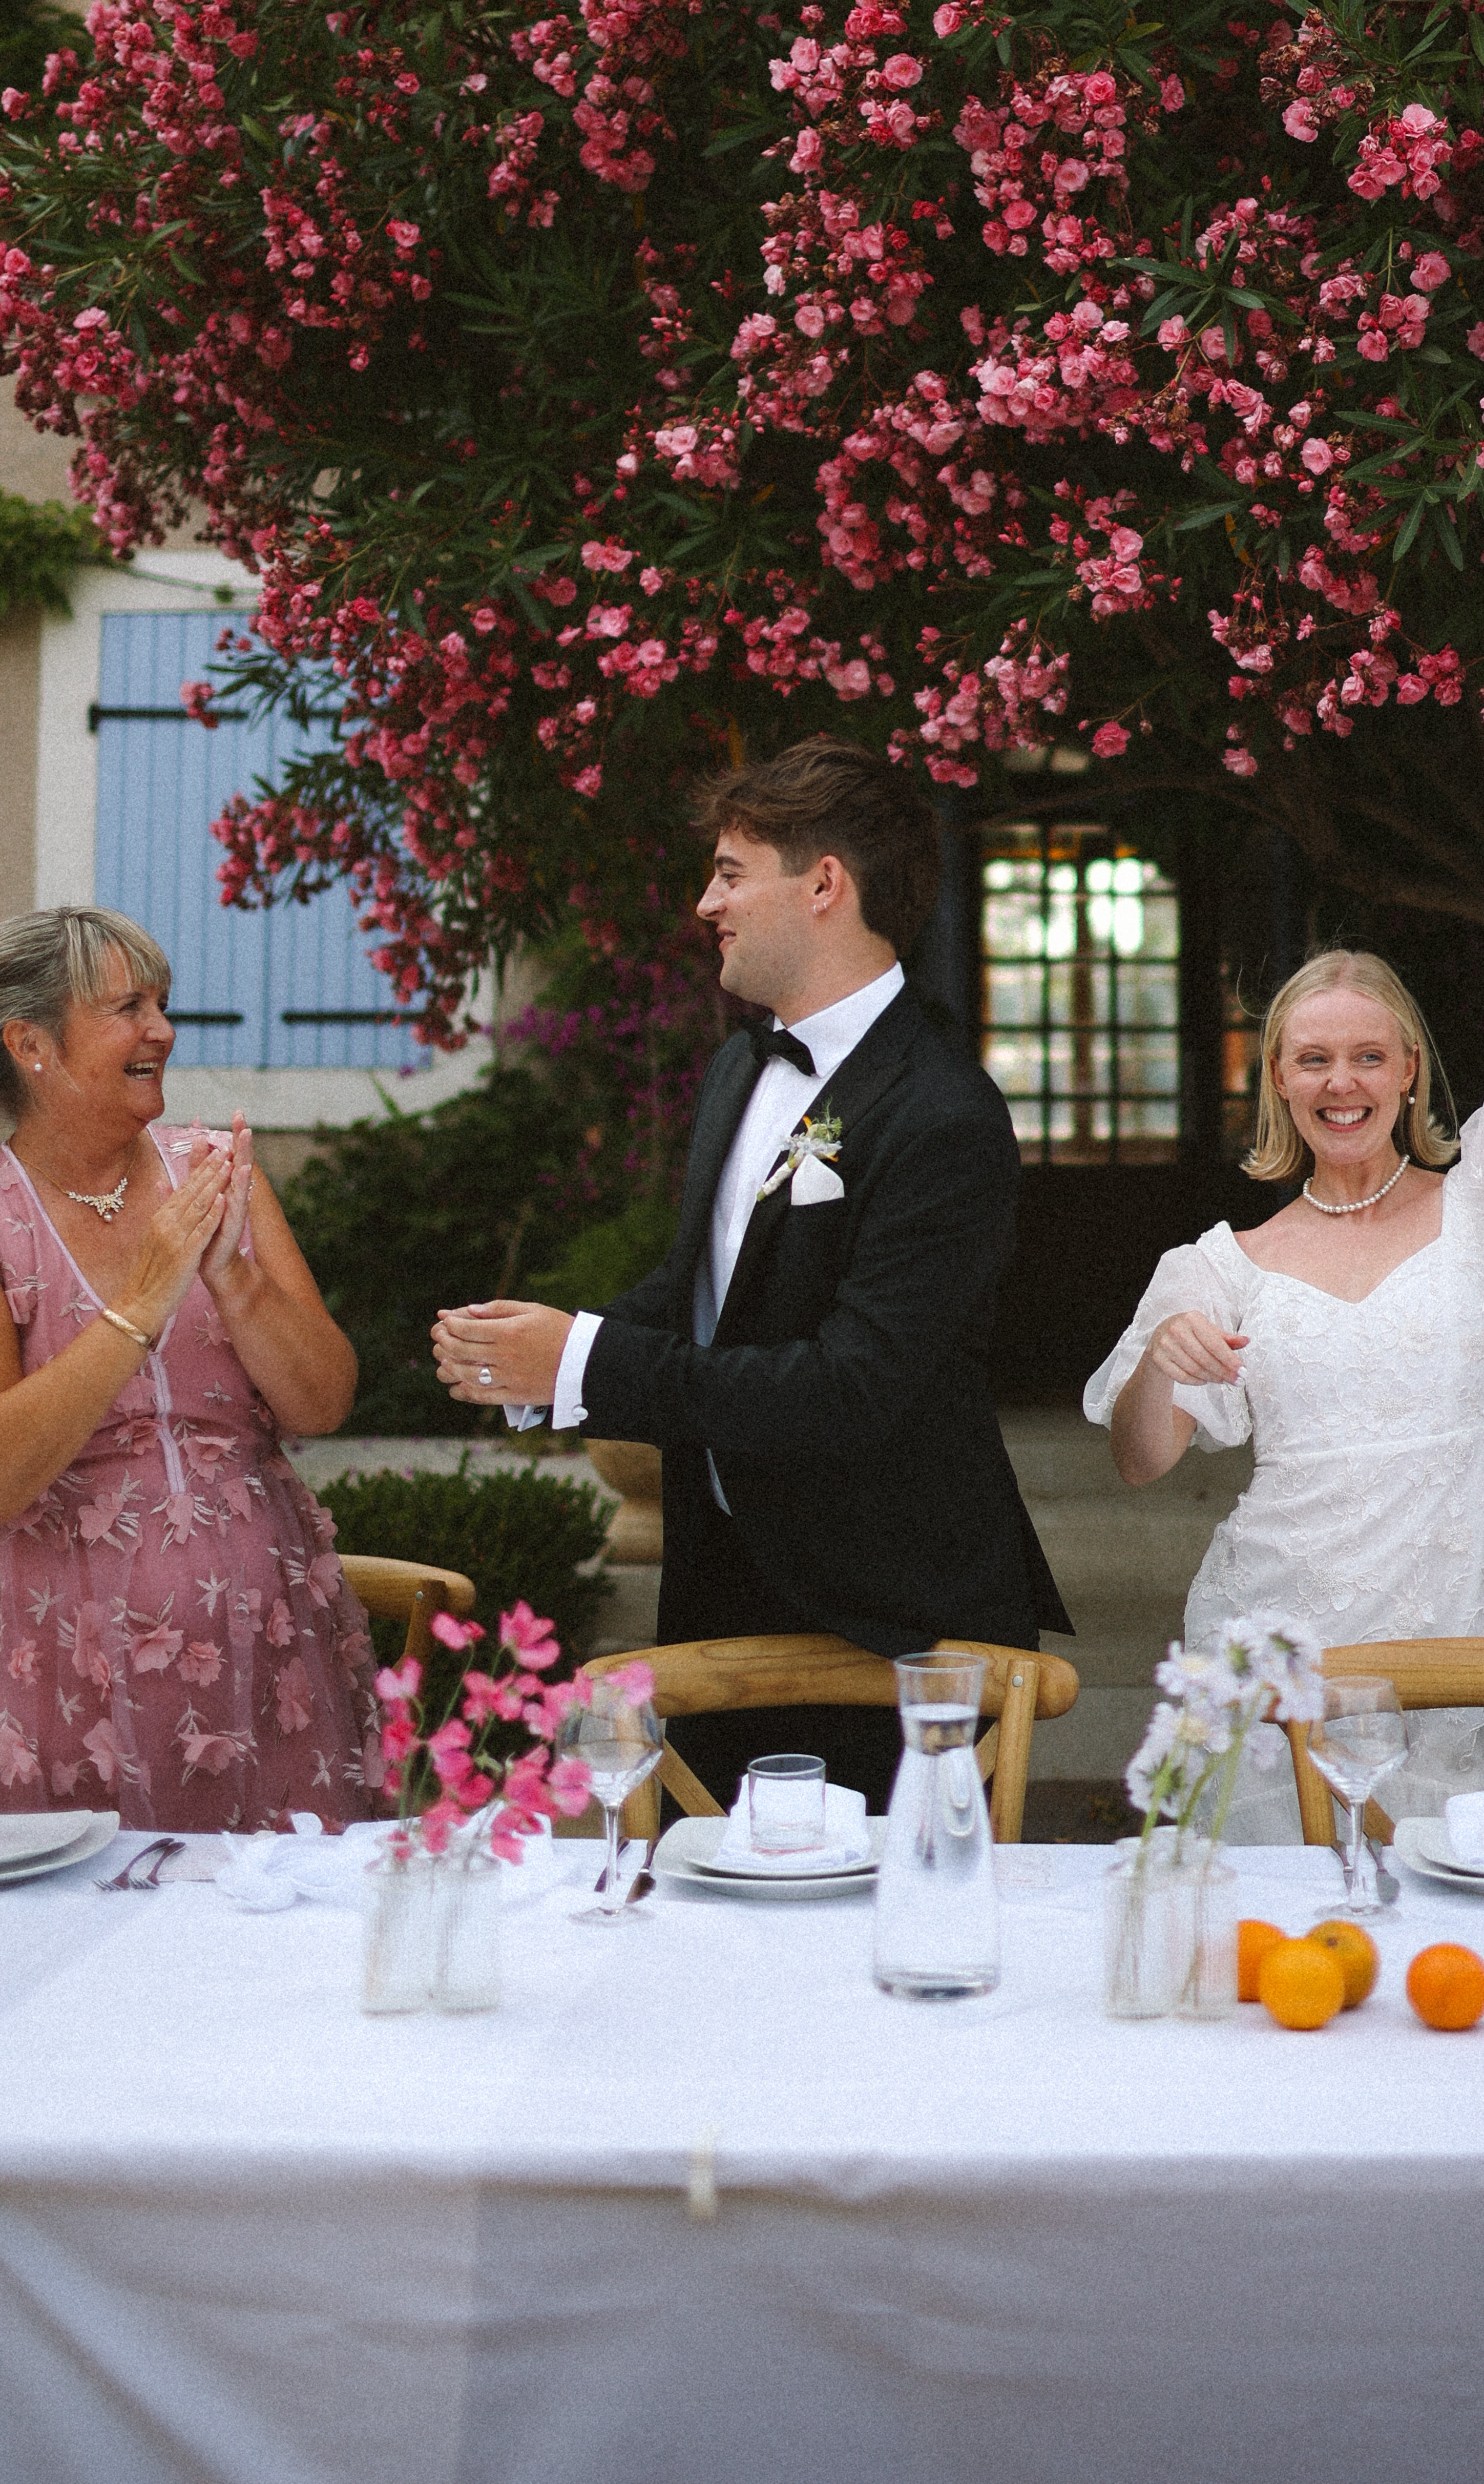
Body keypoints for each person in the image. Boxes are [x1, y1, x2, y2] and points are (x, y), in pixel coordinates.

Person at [433, 737, 1070, 1806]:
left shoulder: (945, 1114)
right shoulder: (740, 1066)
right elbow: (705, 1293)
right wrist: (541, 1353)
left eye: (730, 872)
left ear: (824, 885)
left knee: (872, 1945)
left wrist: (589, 1359)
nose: (704, 903)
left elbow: (852, 1389)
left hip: (894, 1622)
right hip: (723, 1595)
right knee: (714, 1931)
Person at [1086, 781, 1484, 1841]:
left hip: (1449, 1623)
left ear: (1410, 1073)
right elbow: (1142, 1461)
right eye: (1312, 1059)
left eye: (1368, 1056)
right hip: (1272, 1640)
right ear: (1278, 1080)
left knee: (1447, 1924)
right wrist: (1159, 1367)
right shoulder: (1224, 1264)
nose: (1341, 1082)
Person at [0, 906, 379, 1827]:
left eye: (164, 1005)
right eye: (128, 1007)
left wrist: (233, 1279)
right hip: (63, 1661)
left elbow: (324, 1401)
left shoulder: (215, 1173)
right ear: (29, 1044)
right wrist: (144, 1300)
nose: (162, 1031)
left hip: (268, 1649)